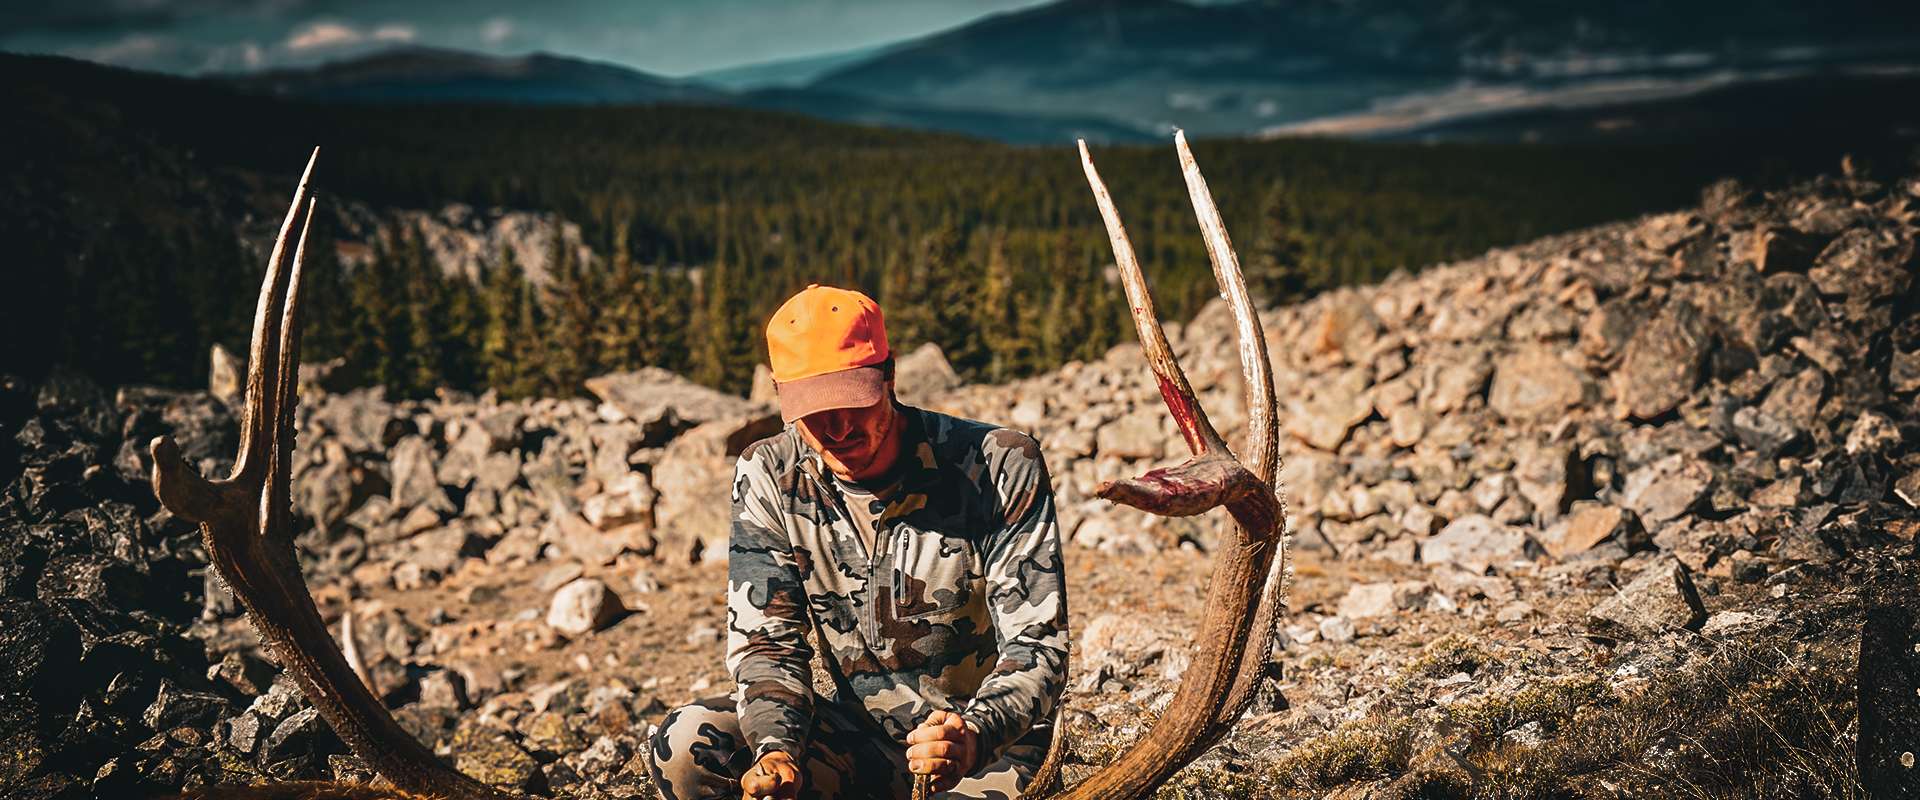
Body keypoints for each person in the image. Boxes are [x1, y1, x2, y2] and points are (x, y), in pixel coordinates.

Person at [647, 284, 1068, 800]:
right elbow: (768, 644)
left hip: (983, 752)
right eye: (814, 409)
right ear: (781, 393)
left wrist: (975, 735)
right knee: (689, 745)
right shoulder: (767, 473)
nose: (837, 427)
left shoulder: (999, 462)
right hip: (854, 741)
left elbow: (1038, 646)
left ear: (889, 376)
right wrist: (775, 750)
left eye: (854, 401)